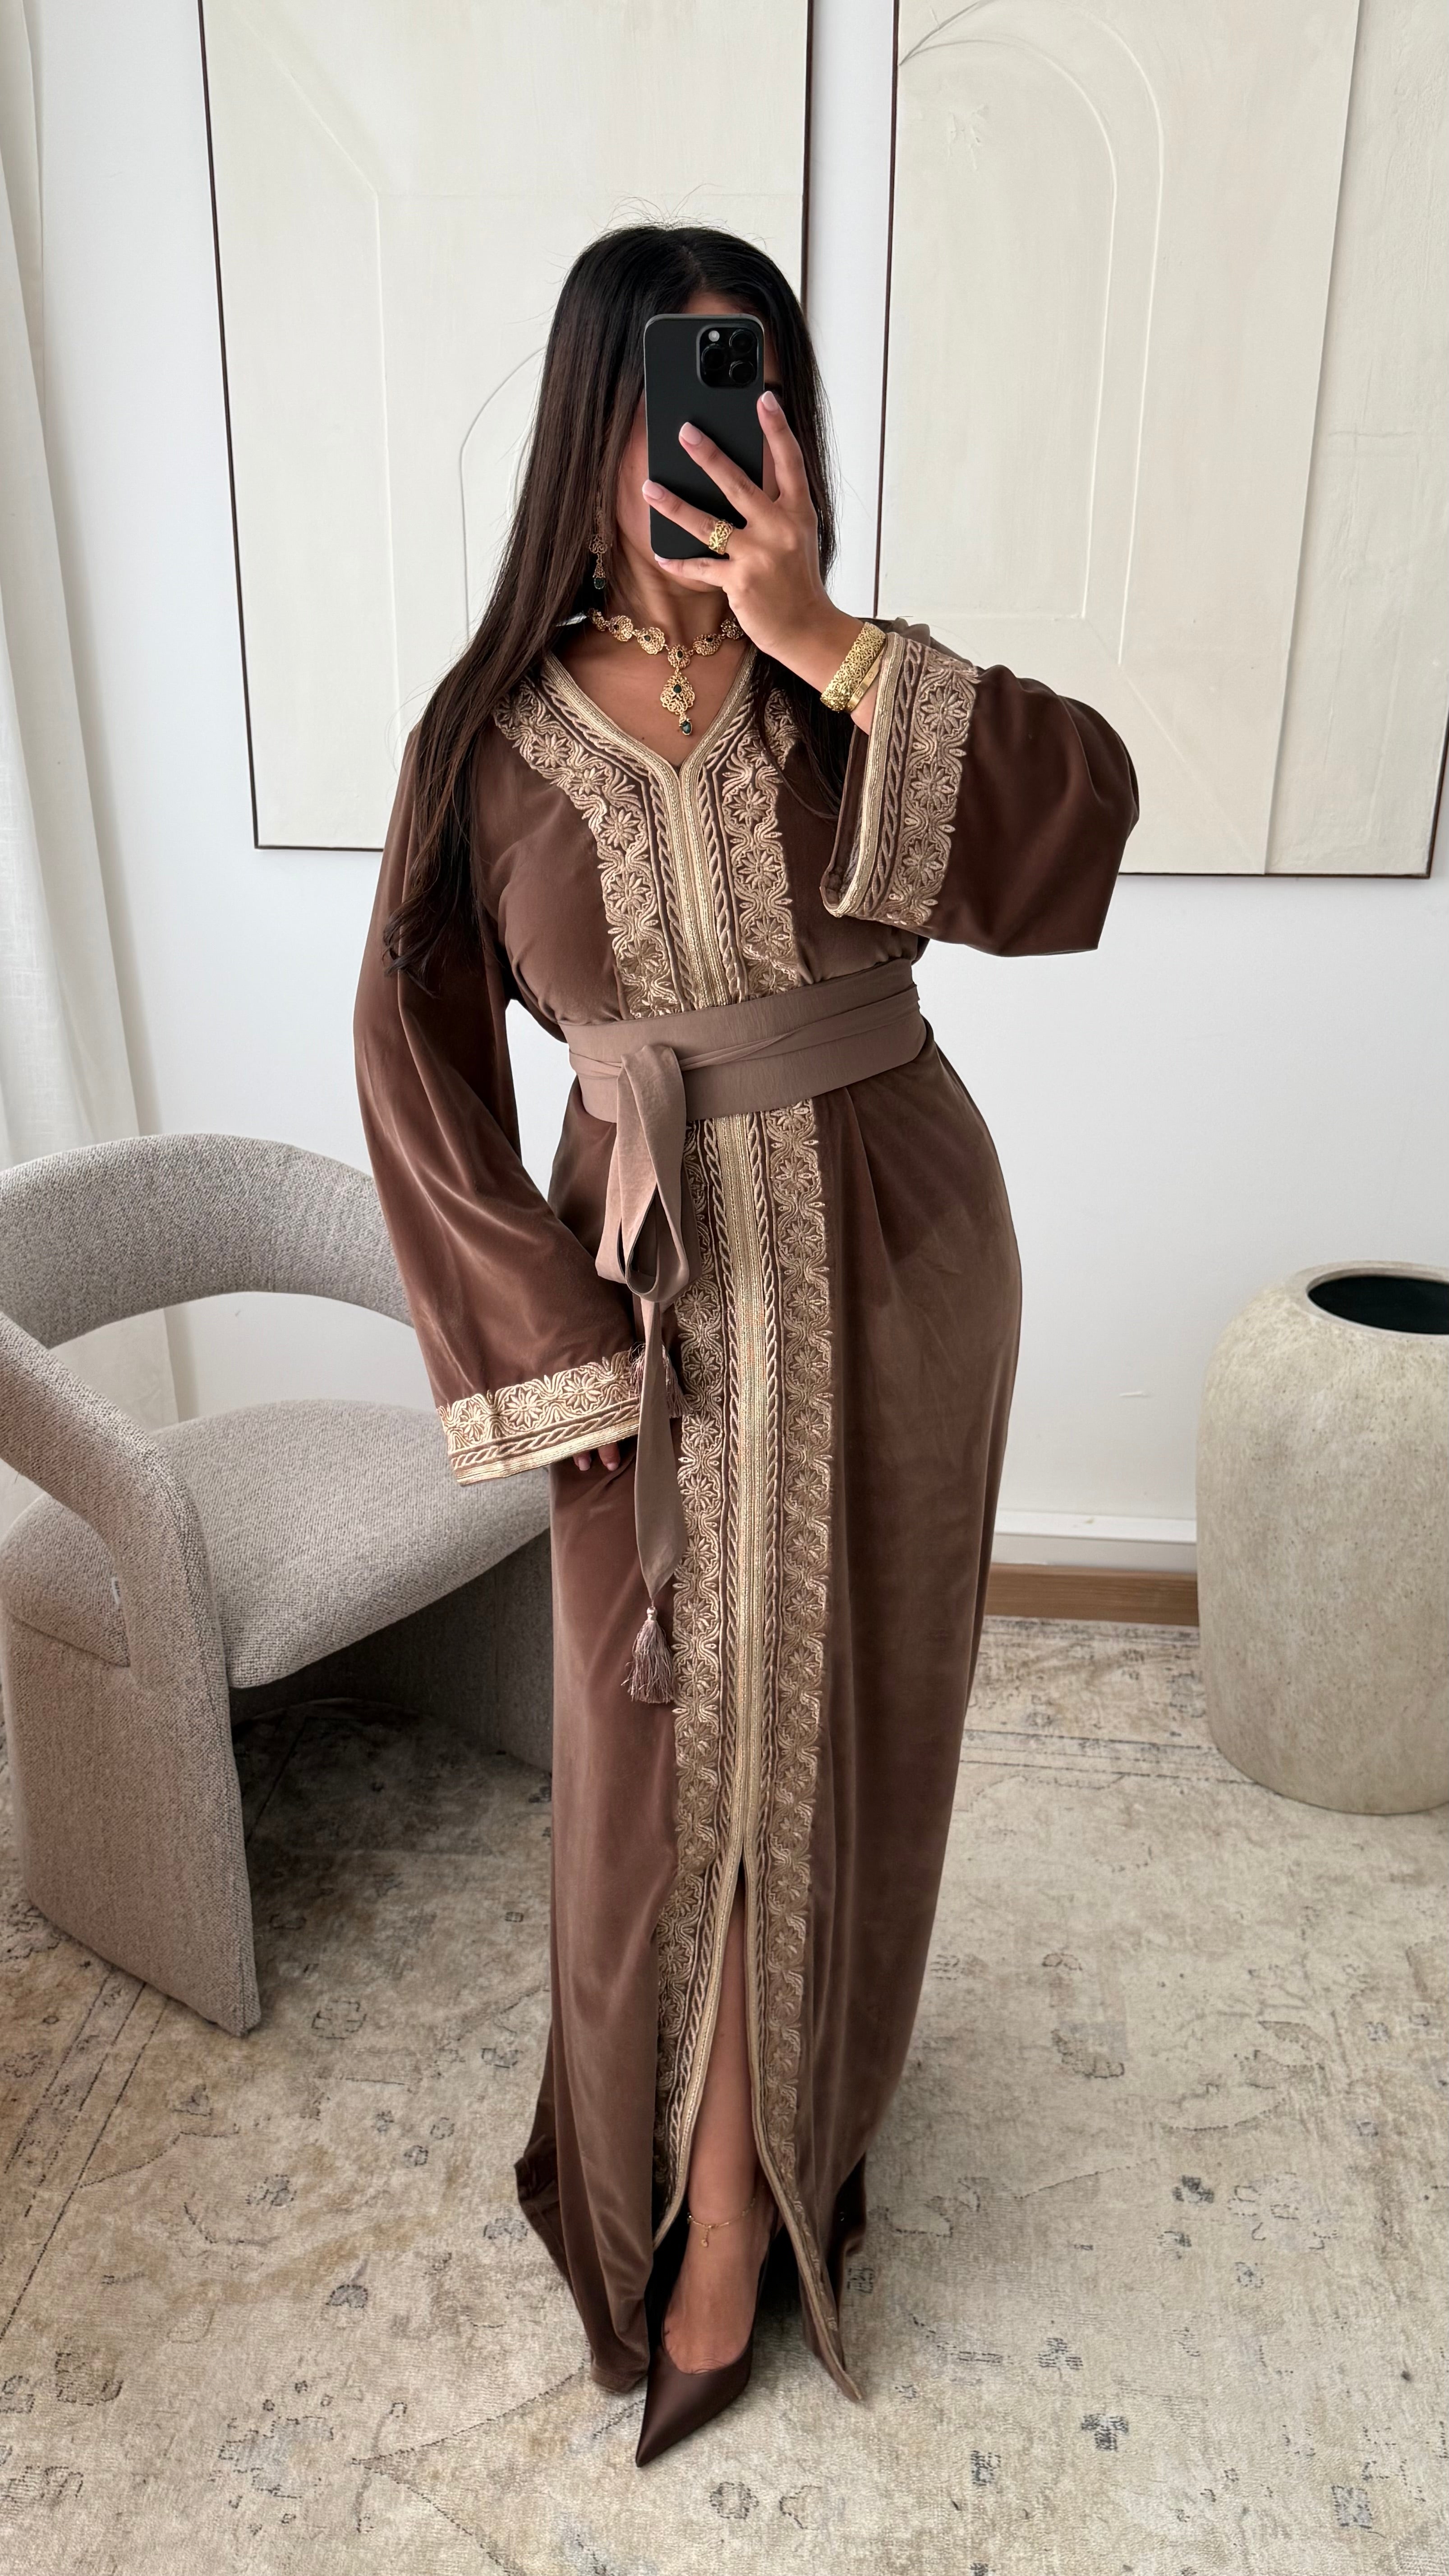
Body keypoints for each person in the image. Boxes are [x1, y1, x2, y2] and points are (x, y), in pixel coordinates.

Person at [353, 221, 1138, 2465]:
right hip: (657, 1308)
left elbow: (1078, 831)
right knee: (660, 1776)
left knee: (853, 1727)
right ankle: (688, 2185)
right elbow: (414, 1065)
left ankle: (748, 2209)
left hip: (900, 1261)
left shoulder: (844, 682)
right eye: (672, 393)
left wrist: (828, 634)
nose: (717, 436)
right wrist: (554, 1352)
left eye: (757, 383)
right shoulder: (487, 741)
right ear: (593, 423)